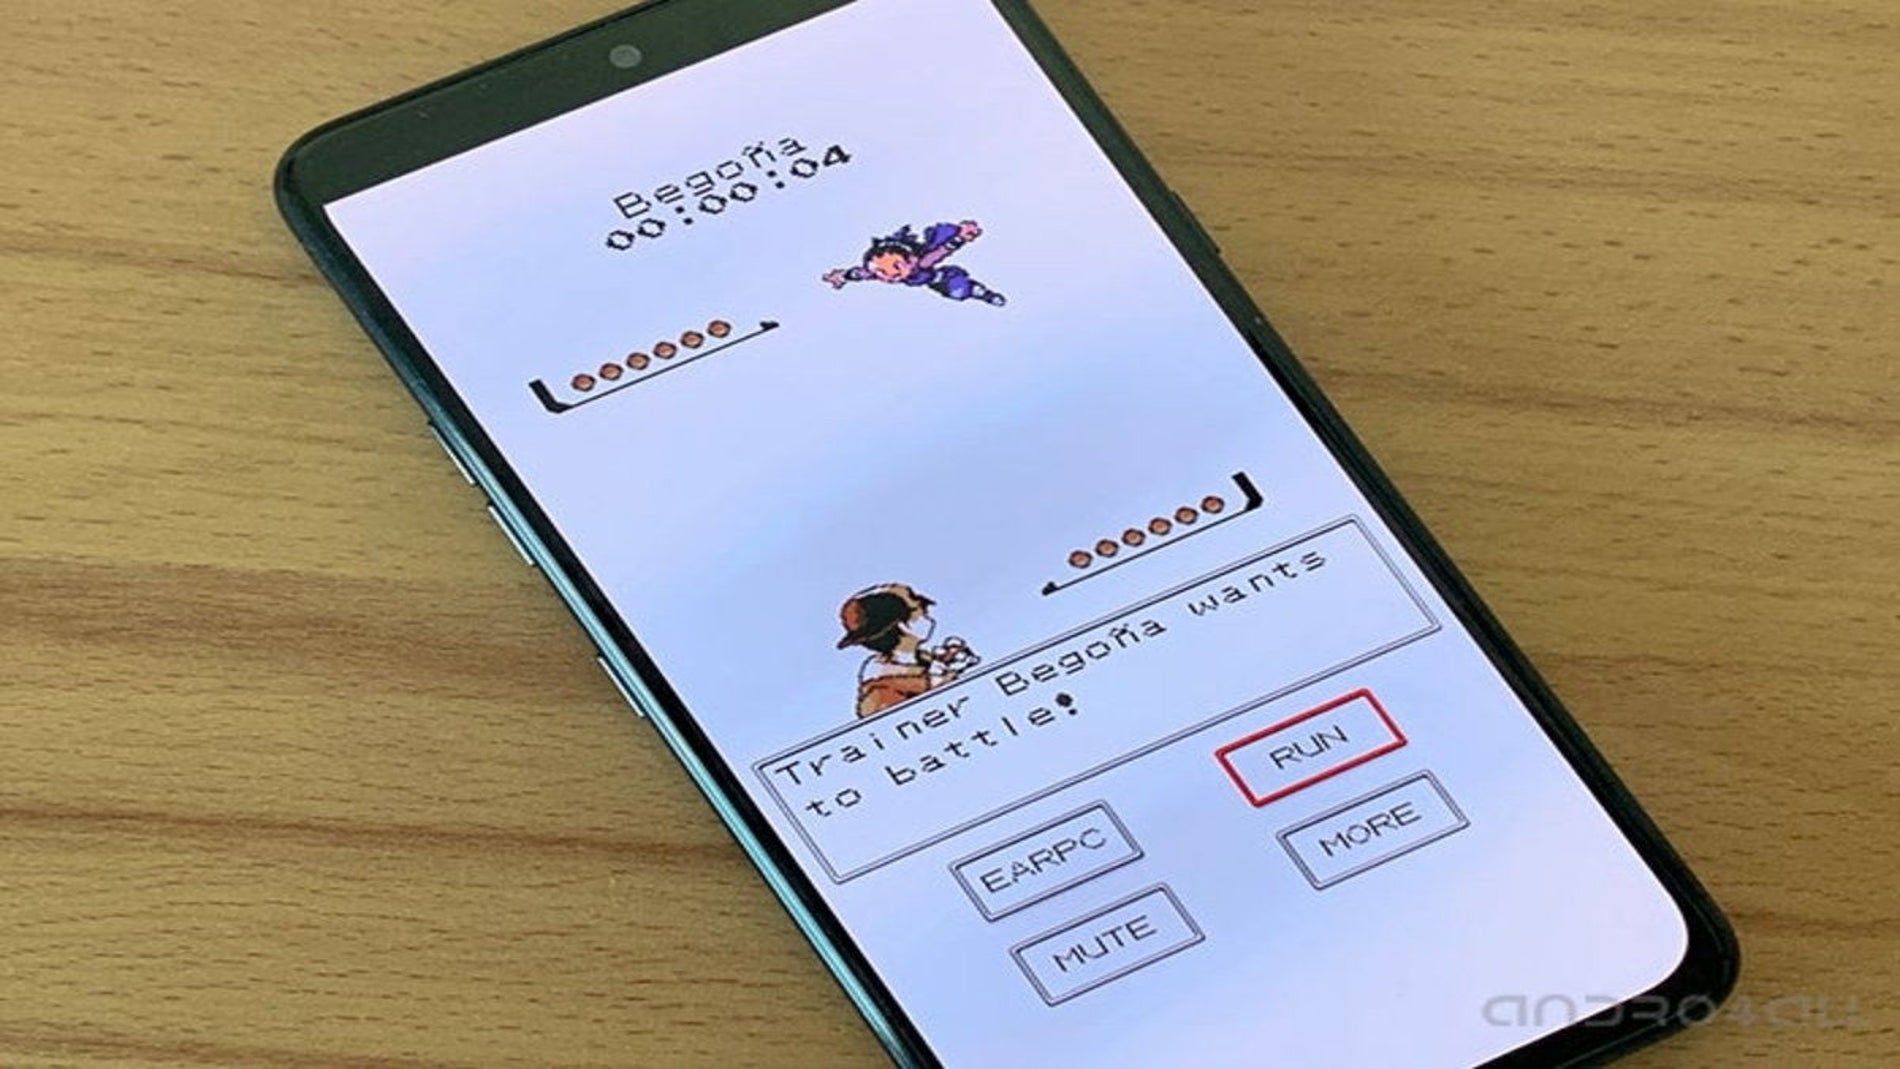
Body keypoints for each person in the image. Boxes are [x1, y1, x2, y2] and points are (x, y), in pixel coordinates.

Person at [835, 583, 980, 718]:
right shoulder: (880, 690)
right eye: (921, 611)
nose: (928, 617)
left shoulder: (925, 660)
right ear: (901, 625)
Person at [822, 221, 1008, 306]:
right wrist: (841, 276)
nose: (890, 275)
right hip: (928, 281)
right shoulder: (875, 272)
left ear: (911, 260)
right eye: (881, 272)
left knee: (958, 291)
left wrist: (960, 238)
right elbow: (859, 273)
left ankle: (983, 294)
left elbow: (941, 252)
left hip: (942, 278)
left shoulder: (922, 264)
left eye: (896, 267)